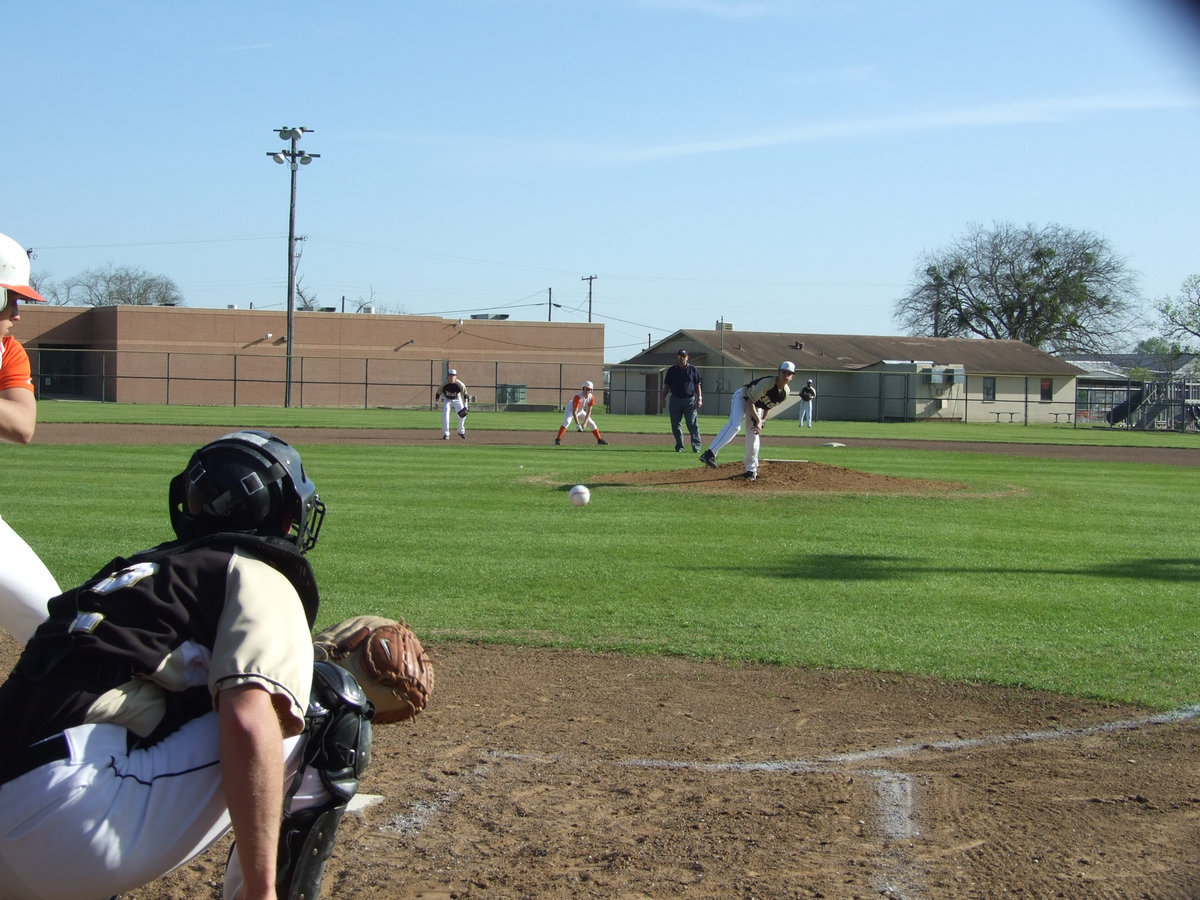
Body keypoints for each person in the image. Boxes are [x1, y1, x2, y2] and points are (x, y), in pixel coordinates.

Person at [0, 430, 381, 900]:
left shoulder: (143, 573)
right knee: (325, 704)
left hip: (25, 822)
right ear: (284, 514)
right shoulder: (257, 572)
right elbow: (247, 723)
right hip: (63, 825)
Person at [0, 232, 62, 647]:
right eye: (11, 298)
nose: (18, 313)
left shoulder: (8, 351)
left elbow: (22, 425)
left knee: (52, 625)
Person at [699, 361, 795, 481]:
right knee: (735, 425)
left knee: (754, 435)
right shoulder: (767, 383)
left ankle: (751, 470)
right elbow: (750, 402)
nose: (785, 376)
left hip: (756, 407)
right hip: (742, 398)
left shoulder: (785, 393)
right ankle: (709, 453)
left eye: (789, 373)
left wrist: (762, 421)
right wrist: (758, 420)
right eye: (783, 372)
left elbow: (767, 407)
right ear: (778, 372)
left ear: (792, 376)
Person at [661, 348, 704, 453]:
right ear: (678, 357)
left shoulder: (693, 370)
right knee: (676, 425)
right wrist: (662, 398)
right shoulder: (672, 370)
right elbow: (667, 386)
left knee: (692, 424)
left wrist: (700, 398)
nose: (682, 359)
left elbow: (697, 385)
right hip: (675, 399)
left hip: (689, 400)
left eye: (684, 357)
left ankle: (696, 447)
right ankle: (679, 446)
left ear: (687, 358)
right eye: (680, 357)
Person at [555, 380, 608, 445]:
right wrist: (578, 425)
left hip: (580, 411)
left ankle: (599, 440)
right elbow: (574, 412)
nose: (587, 391)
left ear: (591, 390)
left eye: (589, 389)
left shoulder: (591, 397)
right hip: (571, 410)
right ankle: (558, 439)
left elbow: (589, 411)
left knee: (592, 423)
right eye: (586, 389)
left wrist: (585, 423)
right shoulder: (578, 397)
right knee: (567, 422)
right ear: (583, 388)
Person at [435, 368, 469, 440]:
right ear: (448, 377)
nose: (452, 377)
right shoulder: (444, 385)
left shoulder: (460, 384)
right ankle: (446, 434)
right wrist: (436, 403)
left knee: (462, 415)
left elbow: (465, 394)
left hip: (457, 398)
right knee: (446, 415)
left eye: (453, 375)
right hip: (447, 399)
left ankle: (461, 431)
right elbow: (438, 394)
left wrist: (466, 405)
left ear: (456, 376)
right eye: (450, 375)